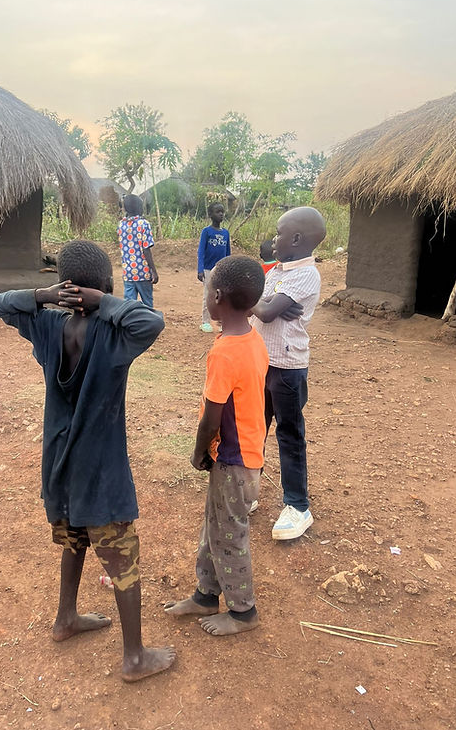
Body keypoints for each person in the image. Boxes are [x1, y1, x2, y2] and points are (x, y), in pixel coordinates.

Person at [0, 240, 175, 682]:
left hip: (59, 467)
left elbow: (1, 304)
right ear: (106, 289)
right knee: (122, 558)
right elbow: (152, 320)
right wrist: (108, 302)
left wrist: (44, 297)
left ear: (63, 288)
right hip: (101, 472)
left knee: (75, 540)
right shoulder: (115, 333)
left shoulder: (49, 327)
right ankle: (134, 658)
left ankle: (66, 619)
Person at [164, 255, 268, 636]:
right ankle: (206, 594)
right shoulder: (252, 339)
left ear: (218, 296)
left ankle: (243, 612)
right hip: (244, 455)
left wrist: (197, 452)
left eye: (208, 290)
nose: (206, 296)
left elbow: (212, 415)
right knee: (216, 527)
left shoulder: (224, 352)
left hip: (233, 459)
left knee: (230, 534)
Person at [250, 207, 326, 541]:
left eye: (279, 233)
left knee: (289, 435)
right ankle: (250, 491)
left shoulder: (306, 274)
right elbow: (266, 306)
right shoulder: (278, 271)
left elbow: (265, 312)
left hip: (287, 368)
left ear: (296, 238)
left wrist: (256, 301)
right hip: (261, 363)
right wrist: (266, 302)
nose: (273, 239)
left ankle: (297, 506)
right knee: (255, 428)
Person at [118, 194, 159, 308]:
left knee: (129, 305)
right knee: (147, 303)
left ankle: (129, 325)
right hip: (143, 272)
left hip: (128, 272)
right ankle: (148, 324)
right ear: (138, 207)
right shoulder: (143, 224)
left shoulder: (121, 225)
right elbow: (146, 250)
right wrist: (154, 271)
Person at [197, 202, 231, 332]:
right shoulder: (206, 231)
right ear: (211, 214)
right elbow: (201, 251)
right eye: (218, 212)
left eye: (222, 212)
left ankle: (222, 322)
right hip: (207, 269)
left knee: (223, 296)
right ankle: (205, 322)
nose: (221, 214)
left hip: (221, 269)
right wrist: (200, 270)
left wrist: (228, 268)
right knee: (208, 295)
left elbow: (228, 252)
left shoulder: (226, 233)